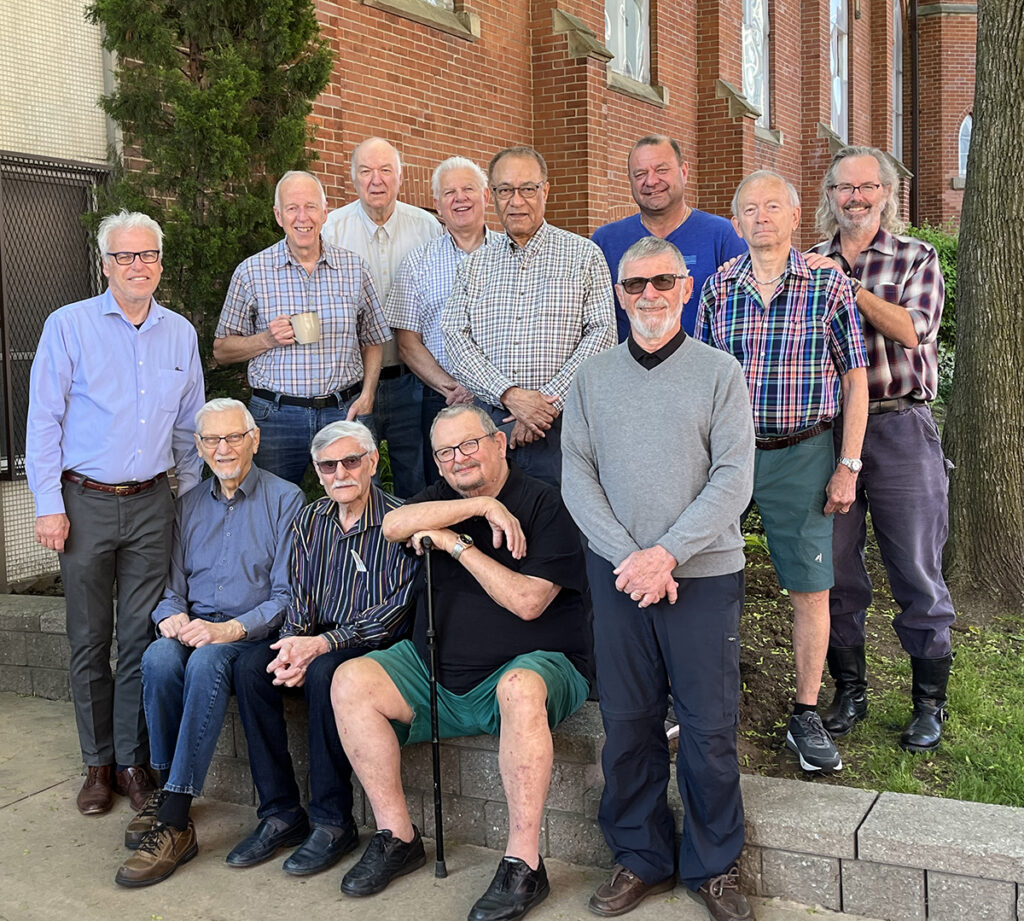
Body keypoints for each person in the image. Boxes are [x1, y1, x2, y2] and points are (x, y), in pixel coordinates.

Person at [331, 404, 591, 921]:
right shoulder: (438, 500)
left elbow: (527, 602)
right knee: (350, 679)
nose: (458, 459)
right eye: (445, 452)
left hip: (531, 669)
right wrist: (475, 510)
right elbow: (393, 525)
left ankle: (524, 864)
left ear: (500, 442)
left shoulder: (547, 504)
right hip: (437, 673)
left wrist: (456, 545)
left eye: (469, 444)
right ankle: (398, 836)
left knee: (519, 685)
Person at [562, 236, 756, 921]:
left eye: (661, 282)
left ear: (686, 288)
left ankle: (714, 865)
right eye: (635, 284)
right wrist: (632, 559)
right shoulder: (591, 379)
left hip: (701, 577)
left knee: (707, 729)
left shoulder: (719, 372)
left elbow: (733, 477)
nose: (648, 294)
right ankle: (640, 855)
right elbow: (577, 479)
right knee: (628, 722)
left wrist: (666, 554)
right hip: (620, 578)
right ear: (619, 294)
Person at [26, 209, 205, 816]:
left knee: (137, 638)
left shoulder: (180, 333)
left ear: (160, 262)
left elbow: (188, 428)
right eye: (124, 257)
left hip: (154, 502)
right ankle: (96, 762)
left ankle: (133, 762)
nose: (137, 266)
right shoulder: (68, 326)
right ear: (105, 265)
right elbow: (43, 421)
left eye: (147, 255)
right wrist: (48, 505)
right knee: (87, 639)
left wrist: (190, 500)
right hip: (84, 503)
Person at [694, 171, 868, 774]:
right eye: (749, 208)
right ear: (736, 221)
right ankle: (697, 702)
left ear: (796, 217)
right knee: (701, 575)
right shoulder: (718, 288)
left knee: (810, 588)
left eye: (772, 206)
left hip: (805, 454)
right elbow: (699, 382)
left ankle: (806, 713)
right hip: (730, 455)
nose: (760, 216)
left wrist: (848, 465)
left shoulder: (828, 286)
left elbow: (855, 379)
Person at [113, 398, 303, 887]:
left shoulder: (286, 499)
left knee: (206, 663)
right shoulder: (187, 506)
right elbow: (171, 588)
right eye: (212, 440)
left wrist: (228, 630)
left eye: (234, 437)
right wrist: (171, 617)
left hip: (248, 634)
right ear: (198, 447)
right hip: (196, 627)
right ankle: (163, 786)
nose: (224, 448)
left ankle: (175, 819)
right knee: (157, 656)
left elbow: (286, 595)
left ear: (254, 439)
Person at [806, 146, 956, 752]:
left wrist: (846, 291)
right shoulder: (807, 260)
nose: (855, 197)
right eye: (844, 188)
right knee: (835, 567)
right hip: (826, 433)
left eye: (867, 187)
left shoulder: (915, 257)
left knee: (917, 567)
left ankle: (929, 703)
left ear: (887, 193)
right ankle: (851, 690)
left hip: (899, 426)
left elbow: (912, 330)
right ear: (830, 196)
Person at [225, 420, 418, 877]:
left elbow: (394, 612)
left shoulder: (398, 518)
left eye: (351, 461)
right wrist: (292, 645)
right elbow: (301, 594)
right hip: (318, 637)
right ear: (317, 470)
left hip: (376, 647)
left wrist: (319, 646)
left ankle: (333, 822)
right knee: (252, 667)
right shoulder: (311, 518)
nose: (340, 473)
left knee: (327, 671)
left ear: (372, 461)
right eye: (328, 466)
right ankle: (280, 813)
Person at [442, 146, 616, 488]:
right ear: (492, 196)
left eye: (528, 189)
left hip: (562, 428)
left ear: (545, 190)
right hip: (488, 427)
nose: (516, 200)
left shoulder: (583, 256)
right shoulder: (474, 265)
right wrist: (511, 396)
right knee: (491, 529)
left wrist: (544, 406)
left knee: (561, 531)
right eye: (505, 190)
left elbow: (602, 334)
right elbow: (455, 338)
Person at [213, 170, 390, 485]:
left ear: (325, 212)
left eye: (310, 206)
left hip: (345, 410)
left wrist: (368, 394)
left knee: (363, 505)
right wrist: (266, 339)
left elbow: (374, 339)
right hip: (277, 416)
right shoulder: (251, 272)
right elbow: (222, 350)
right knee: (273, 511)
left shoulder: (354, 268)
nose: (302, 217)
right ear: (278, 216)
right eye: (292, 208)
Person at [323, 137, 444, 497]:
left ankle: (416, 551)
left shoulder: (426, 228)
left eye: (385, 170)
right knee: (359, 482)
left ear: (400, 177)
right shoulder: (331, 230)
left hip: (415, 381)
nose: (376, 180)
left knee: (419, 477)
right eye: (366, 171)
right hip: (356, 386)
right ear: (353, 178)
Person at [387, 156, 501, 484]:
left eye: (468, 189)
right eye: (449, 192)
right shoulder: (418, 264)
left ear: (486, 196)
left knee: (504, 481)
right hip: (440, 397)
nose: (459, 198)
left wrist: (483, 386)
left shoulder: (514, 256)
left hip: (502, 395)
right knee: (444, 486)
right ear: (437, 205)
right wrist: (450, 386)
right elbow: (407, 343)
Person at [592, 135, 747, 340]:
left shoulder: (723, 235)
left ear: (684, 172)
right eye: (640, 174)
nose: (651, 181)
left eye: (661, 170)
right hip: (628, 367)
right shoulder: (605, 241)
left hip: (704, 367)